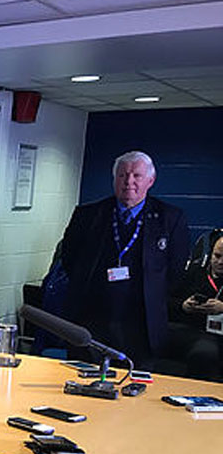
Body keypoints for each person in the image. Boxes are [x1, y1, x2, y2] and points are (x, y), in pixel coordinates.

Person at [59, 150, 188, 368]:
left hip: (142, 324)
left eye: (136, 175)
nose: (129, 182)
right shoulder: (88, 215)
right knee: (84, 378)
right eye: (122, 175)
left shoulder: (171, 218)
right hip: (92, 319)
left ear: (150, 181)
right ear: (114, 179)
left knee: (136, 381)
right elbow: (70, 258)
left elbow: (175, 270)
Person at [169, 231, 223, 380]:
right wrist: (184, 305)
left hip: (217, 336)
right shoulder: (195, 272)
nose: (220, 262)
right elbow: (167, 301)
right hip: (189, 329)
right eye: (217, 256)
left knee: (204, 353)